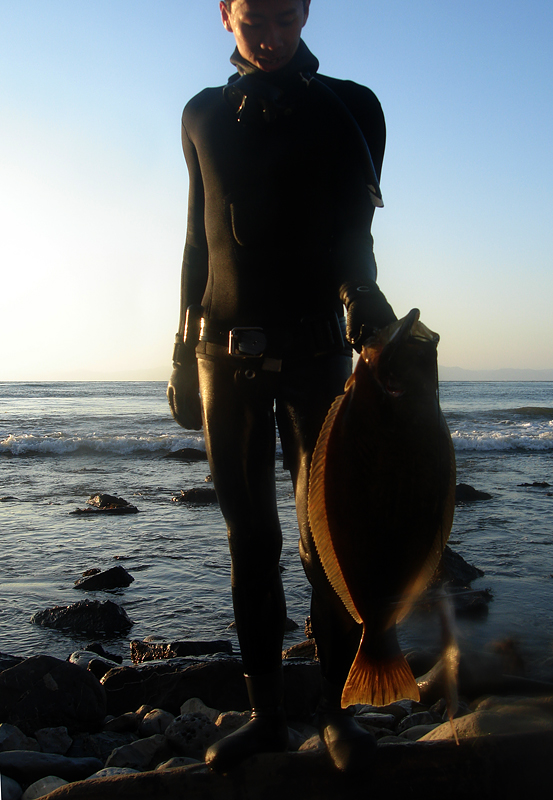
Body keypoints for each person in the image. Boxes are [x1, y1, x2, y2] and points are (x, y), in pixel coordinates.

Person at [167, 0, 396, 772]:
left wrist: (368, 319)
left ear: (305, 13)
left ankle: (336, 717)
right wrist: (177, 351)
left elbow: (353, 242)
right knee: (250, 542)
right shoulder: (201, 115)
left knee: (320, 544)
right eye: (253, 20)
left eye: (285, 20)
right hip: (219, 356)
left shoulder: (351, 108)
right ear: (223, 16)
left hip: (315, 356)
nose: (269, 37)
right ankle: (266, 715)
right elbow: (197, 237)